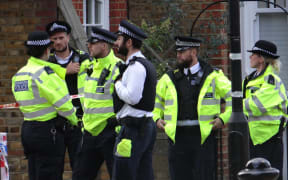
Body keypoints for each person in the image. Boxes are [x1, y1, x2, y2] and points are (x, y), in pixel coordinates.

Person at [153, 36, 232, 180]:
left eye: (182, 51)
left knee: (204, 176)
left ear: (194, 52)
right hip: (177, 138)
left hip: (203, 138)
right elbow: (155, 103)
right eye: (177, 52)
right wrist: (157, 119)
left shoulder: (213, 75)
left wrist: (223, 118)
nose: (178, 55)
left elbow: (235, 99)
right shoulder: (168, 78)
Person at [12, 31, 78, 180]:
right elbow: (63, 103)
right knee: (50, 174)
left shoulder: (20, 74)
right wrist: (75, 120)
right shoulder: (45, 73)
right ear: (47, 49)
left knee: (35, 173)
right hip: (48, 132)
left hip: (28, 130)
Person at [72, 27, 121, 180]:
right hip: (89, 132)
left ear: (104, 45)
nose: (89, 46)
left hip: (110, 132)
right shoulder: (89, 67)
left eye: (93, 43)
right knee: (80, 176)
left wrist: (117, 126)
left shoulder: (119, 67)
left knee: (117, 175)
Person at [112, 20, 157, 180]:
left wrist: (117, 83)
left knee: (124, 173)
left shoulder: (136, 67)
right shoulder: (142, 64)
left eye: (119, 39)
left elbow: (132, 97)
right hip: (141, 127)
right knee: (142, 174)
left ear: (129, 42)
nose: (116, 43)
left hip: (134, 129)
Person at [45, 20, 91, 171]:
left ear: (68, 37)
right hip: (55, 123)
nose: (58, 42)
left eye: (61, 37)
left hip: (78, 121)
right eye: (54, 39)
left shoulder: (84, 58)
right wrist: (65, 71)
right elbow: (44, 84)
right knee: (53, 168)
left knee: (80, 168)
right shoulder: (46, 62)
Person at [243, 40, 288, 180]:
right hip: (253, 138)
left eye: (253, 54)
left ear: (261, 59)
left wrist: (236, 104)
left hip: (270, 138)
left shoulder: (272, 81)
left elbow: (257, 105)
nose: (250, 57)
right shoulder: (249, 80)